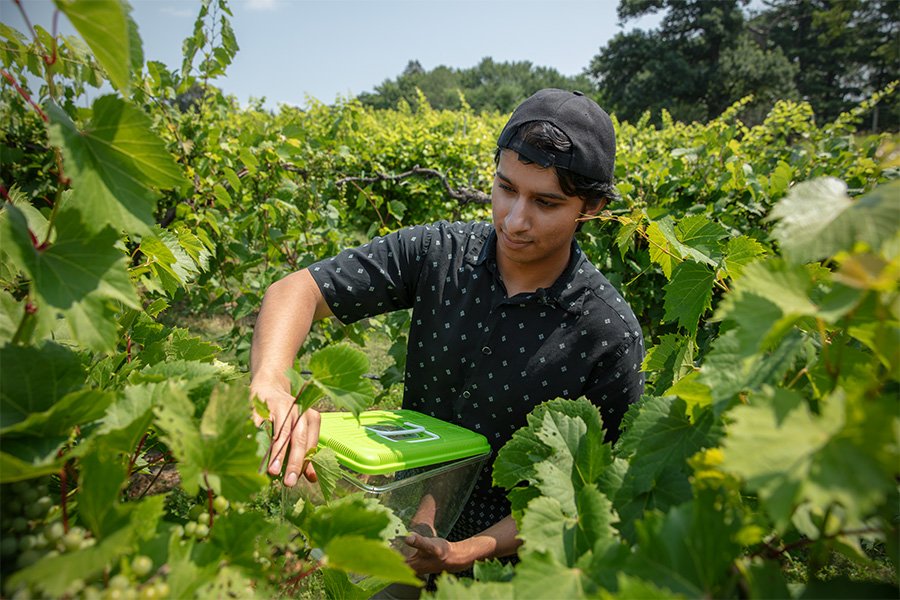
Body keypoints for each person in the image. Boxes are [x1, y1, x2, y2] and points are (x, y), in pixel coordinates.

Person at [250, 88, 645, 579]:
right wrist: (270, 380)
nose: (515, 220)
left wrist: (467, 551)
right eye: (506, 188)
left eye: (546, 202)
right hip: (402, 535)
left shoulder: (606, 332)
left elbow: (590, 488)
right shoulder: (439, 251)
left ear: (593, 209)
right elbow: (298, 290)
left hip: (511, 571)